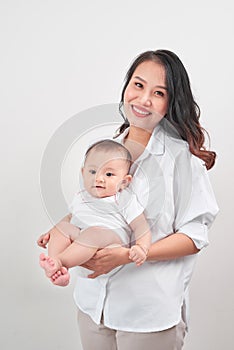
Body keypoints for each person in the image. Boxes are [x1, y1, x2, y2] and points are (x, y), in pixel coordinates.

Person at [38, 49, 219, 349]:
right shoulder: (107, 149)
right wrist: (61, 228)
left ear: (170, 102)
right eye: (138, 85)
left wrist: (132, 254)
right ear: (126, 86)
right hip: (93, 306)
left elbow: (194, 236)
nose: (143, 99)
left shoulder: (183, 161)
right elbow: (90, 206)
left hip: (146, 314)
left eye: (158, 92)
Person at [39, 139, 151, 286]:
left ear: (124, 182)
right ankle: (55, 267)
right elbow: (71, 217)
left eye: (109, 174)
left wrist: (142, 247)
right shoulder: (81, 196)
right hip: (82, 245)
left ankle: (61, 262)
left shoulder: (124, 199)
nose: (98, 178)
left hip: (110, 244)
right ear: (83, 173)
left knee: (94, 233)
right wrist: (52, 232)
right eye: (92, 171)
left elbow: (141, 226)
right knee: (63, 227)